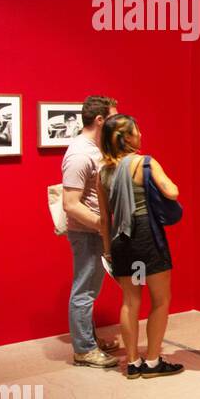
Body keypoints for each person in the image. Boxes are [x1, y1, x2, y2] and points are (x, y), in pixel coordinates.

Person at [97, 114, 184, 379]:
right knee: (160, 300)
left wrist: (108, 251)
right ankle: (153, 360)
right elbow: (172, 192)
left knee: (130, 302)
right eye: (136, 131)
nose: (141, 135)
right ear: (126, 138)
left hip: (122, 242)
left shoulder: (103, 172)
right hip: (147, 238)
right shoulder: (145, 163)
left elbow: (104, 218)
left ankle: (133, 362)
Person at [61, 95, 122, 368]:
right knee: (84, 291)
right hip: (86, 234)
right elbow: (70, 204)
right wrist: (102, 225)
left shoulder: (92, 148)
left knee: (90, 289)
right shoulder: (79, 154)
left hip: (95, 233)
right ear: (100, 120)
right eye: (113, 117)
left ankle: (90, 341)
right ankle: (84, 349)